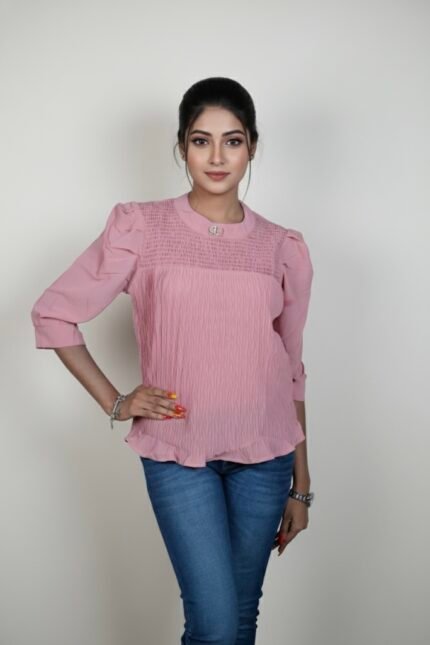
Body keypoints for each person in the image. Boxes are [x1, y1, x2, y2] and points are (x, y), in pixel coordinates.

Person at [30, 76, 315, 645]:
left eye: (233, 141)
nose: (217, 157)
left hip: (267, 460)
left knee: (240, 620)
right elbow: (54, 314)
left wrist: (301, 484)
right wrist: (117, 401)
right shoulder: (141, 227)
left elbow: (291, 368)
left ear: (252, 148)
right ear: (182, 146)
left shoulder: (281, 247)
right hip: (177, 455)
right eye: (201, 140)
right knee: (214, 626)